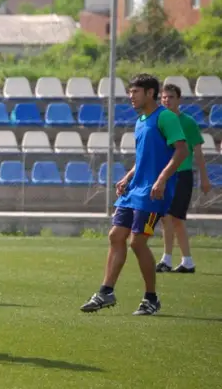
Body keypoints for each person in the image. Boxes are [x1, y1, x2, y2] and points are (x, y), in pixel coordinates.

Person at [80, 74, 187, 316]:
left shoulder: (166, 117)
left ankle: (151, 298)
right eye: (130, 92)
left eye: (135, 92)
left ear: (150, 93)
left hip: (153, 193)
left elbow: (181, 151)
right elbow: (144, 158)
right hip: (136, 189)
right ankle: (106, 291)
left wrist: (161, 179)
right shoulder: (141, 120)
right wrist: (128, 176)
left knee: (137, 242)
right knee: (116, 235)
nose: (131, 96)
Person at [156, 84, 211, 274]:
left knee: (173, 217)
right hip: (165, 174)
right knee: (168, 218)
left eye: (171, 97)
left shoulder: (188, 122)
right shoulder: (160, 121)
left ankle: (169, 259)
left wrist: (204, 178)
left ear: (178, 100)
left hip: (182, 174)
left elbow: (198, 151)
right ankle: (184, 261)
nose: (167, 100)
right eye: (164, 97)